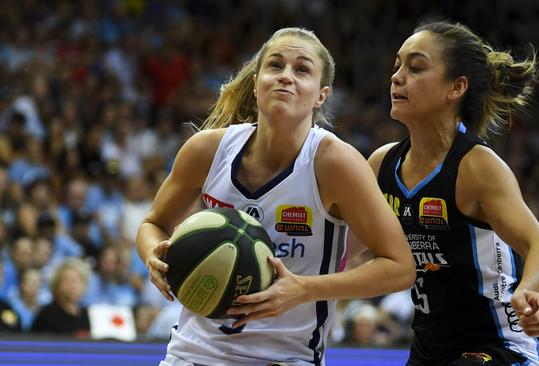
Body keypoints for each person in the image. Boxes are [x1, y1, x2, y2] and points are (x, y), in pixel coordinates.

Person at [136, 27, 415, 366]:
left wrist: (305, 289)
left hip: (285, 358)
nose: (286, 76)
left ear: (321, 95)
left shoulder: (336, 164)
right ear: (256, 84)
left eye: (302, 69)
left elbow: (400, 267)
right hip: (192, 353)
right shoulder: (206, 150)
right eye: (275, 65)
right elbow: (153, 223)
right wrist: (153, 253)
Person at [352, 21, 539, 365]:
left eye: (415, 67)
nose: (397, 77)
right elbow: (343, 250)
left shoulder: (476, 166)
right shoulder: (381, 164)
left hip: (502, 344)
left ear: (456, 87)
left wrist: (529, 289)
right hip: (430, 346)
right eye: (397, 66)